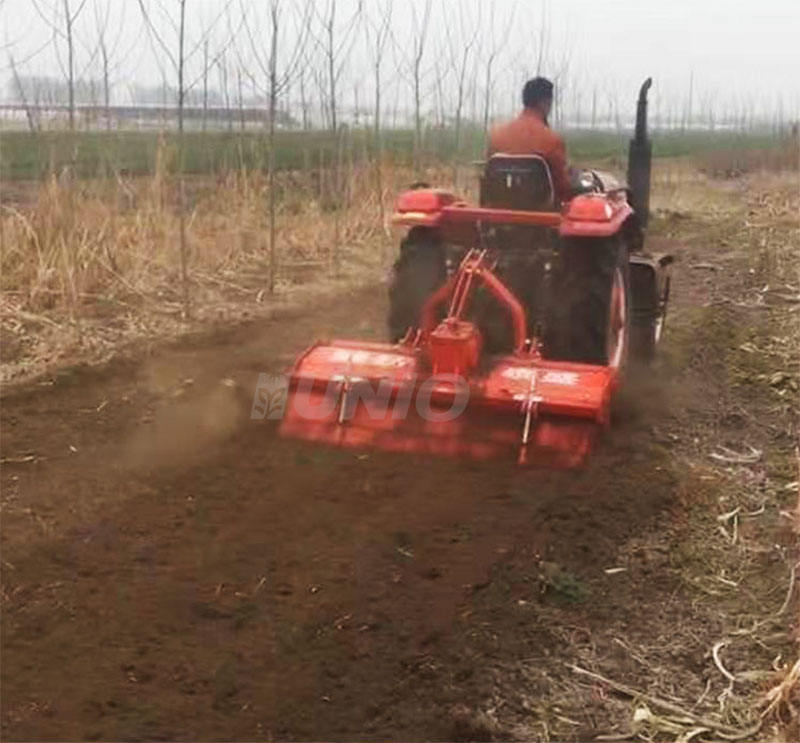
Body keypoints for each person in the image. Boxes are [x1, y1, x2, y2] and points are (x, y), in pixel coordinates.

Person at [488, 77, 571, 204]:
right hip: (543, 213)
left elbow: (490, 178)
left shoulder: (497, 136)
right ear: (545, 102)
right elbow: (563, 189)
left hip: (501, 209)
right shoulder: (552, 140)